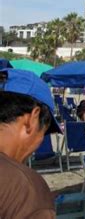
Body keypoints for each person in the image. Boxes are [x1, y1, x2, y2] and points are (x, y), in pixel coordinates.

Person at [0, 69, 62, 219]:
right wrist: (39, 204)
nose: (40, 141)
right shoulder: (25, 189)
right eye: (45, 132)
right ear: (32, 119)